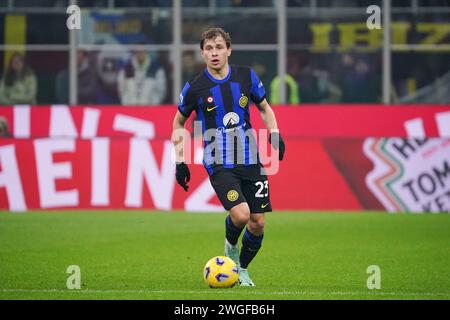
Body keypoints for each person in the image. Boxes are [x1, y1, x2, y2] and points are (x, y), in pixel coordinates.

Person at [171, 27, 285, 287]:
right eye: (209, 49)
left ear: (229, 50)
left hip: (251, 158)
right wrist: (180, 160)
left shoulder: (246, 77)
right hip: (219, 162)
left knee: (258, 224)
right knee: (242, 215)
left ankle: (242, 270)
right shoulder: (195, 88)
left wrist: (275, 133)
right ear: (202, 53)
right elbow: (179, 123)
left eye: (219, 47)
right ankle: (230, 246)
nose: (214, 53)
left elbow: (264, 108)